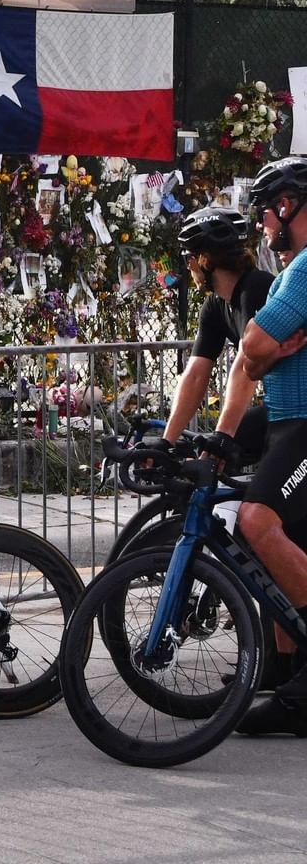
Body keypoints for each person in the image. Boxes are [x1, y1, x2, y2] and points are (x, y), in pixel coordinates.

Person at [231, 157, 307, 734]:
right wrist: (264, 352)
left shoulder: (306, 268)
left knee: (255, 520)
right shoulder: (290, 270)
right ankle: (289, 679)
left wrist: (265, 352)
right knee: (282, 540)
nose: (261, 222)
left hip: (303, 421)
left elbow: (255, 344)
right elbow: (251, 358)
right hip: (287, 419)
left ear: (289, 204)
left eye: (266, 210)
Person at [154, 206, 273, 463]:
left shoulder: (256, 288)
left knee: (225, 448)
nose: (188, 266)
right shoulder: (215, 304)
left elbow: (245, 364)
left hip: (296, 405)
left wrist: (223, 436)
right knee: (208, 454)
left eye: (189, 258)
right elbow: (196, 375)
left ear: (205, 259)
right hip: (283, 405)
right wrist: (166, 442)